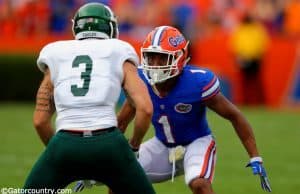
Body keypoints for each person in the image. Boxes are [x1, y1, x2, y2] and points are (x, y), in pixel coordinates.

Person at [74, 26, 272, 194]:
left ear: (179, 57)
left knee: (199, 183)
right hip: (162, 145)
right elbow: (121, 123)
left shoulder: (197, 82)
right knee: (118, 177)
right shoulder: (141, 80)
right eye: (151, 58)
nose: (155, 64)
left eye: (162, 58)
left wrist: (255, 156)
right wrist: (97, 162)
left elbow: (234, 116)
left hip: (197, 142)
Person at [23, 2, 155, 194]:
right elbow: (145, 108)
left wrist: (63, 155)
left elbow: (40, 121)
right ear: (110, 27)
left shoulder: (56, 52)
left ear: (76, 26)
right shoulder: (119, 49)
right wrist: (133, 147)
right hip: (109, 144)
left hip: (65, 142)